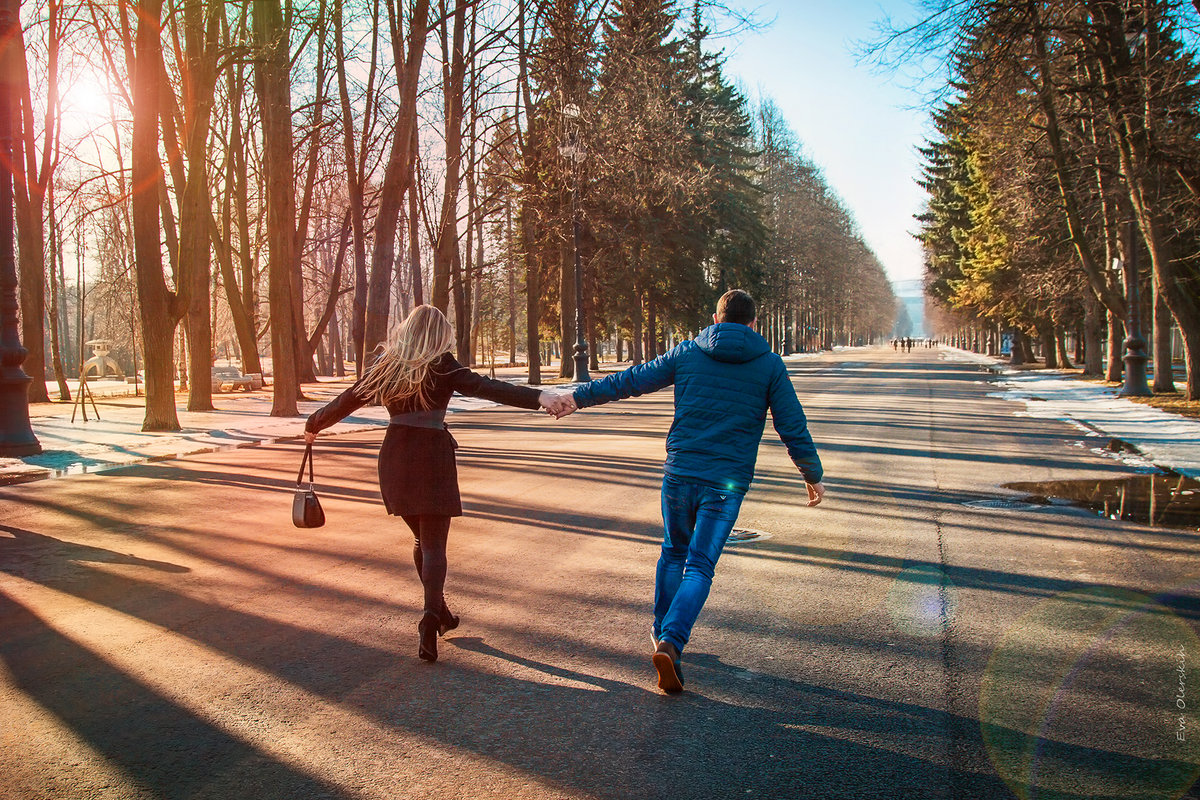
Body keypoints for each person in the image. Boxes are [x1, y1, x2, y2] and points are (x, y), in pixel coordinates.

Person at [555, 289, 824, 694]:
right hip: (726, 483)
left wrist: (578, 397)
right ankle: (671, 641)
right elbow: (792, 423)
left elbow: (631, 381)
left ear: (716, 320)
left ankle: (662, 631)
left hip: (679, 474)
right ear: (753, 324)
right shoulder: (769, 365)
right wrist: (811, 472)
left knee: (673, 552)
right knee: (699, 565)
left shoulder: (687, 352)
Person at [304, 305, 569, 663]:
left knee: (421, 539)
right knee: (433, 545)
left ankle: (438, 614)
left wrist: (313, 424)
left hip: (395, 458)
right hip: (432, 458)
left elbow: (346, 400)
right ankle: (430, 617)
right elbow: (488, 388)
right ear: (439, 335)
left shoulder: (386, 366)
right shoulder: (443, 365)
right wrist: (539, 397)